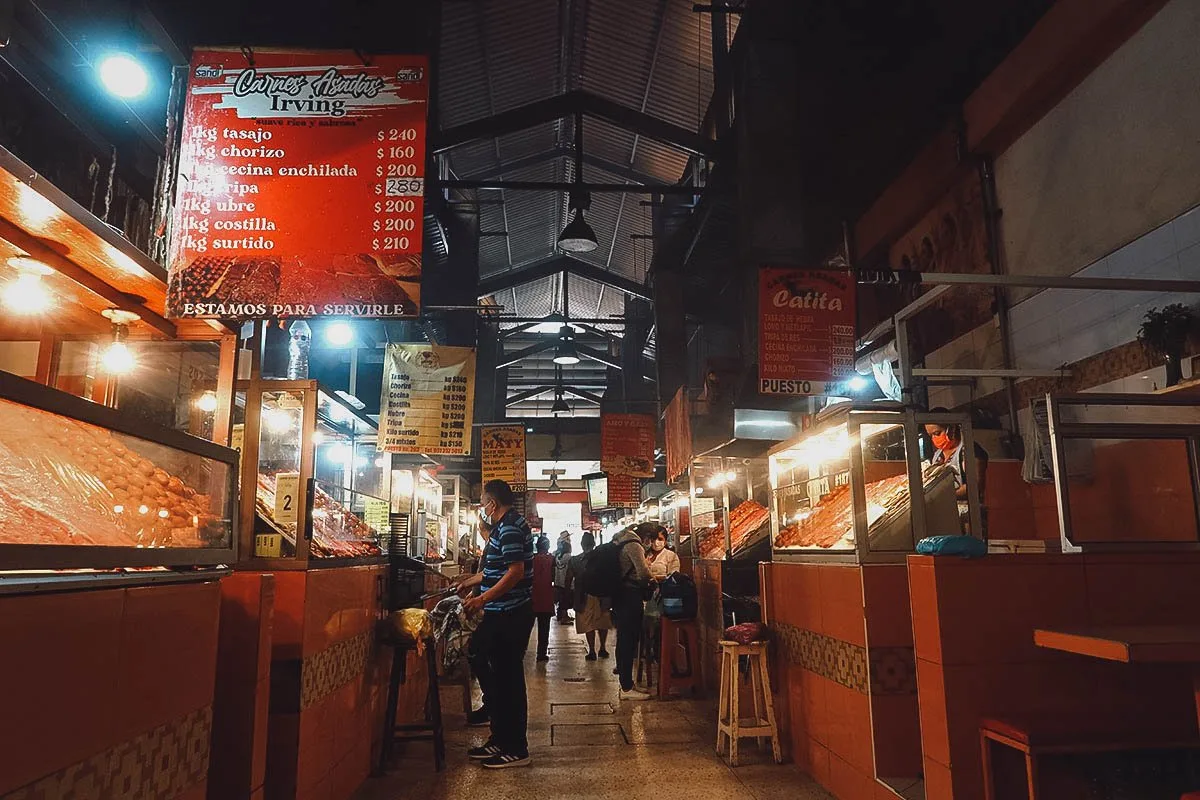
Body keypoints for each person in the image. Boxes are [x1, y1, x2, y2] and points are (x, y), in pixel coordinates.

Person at [454, 479, 535, 769]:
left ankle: (517, 747)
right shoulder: (503, 527)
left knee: (509, 678)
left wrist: (482, 598)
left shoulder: (511, 526)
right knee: (490, 666)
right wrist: (469, 582)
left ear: (493, 503)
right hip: (502, 611)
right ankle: (500, 737)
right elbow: (496, 569)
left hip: (511, 613)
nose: (481, 506)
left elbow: (514, 573)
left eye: (483, 500)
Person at [924, 409, 989, 533]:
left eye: (937, 433)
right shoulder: (938, 455)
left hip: (969, 516)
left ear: (951, 429)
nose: (934, 438)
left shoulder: (969, 450)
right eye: (931, 435)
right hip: (946, 514)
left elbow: (974, 486)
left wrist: (943, 496)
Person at [611, 525, 653, 701]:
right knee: (629, 639)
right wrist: (652, 580)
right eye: (651, 539)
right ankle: (627, 687)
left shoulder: (622, 539)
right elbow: (643, 574)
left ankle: (625, 682)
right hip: (630, 596)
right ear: (647, 537)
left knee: (624, 638)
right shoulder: (634, 544)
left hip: (620, 595)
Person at [566, 531, 610, 660]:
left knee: (588, 623)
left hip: (583, 596)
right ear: (594, 543)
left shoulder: (575, 560)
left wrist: (567, 597)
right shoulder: (603, 559)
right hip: (602, 595)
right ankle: (602, 648)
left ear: (581, 544)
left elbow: (568, 579)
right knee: (602, 622)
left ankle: (592, 650)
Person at [532, 535, 554, 662]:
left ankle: (521, 651)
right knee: (544, 628)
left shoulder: (531, 559)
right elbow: (553, 576)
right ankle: (541, 654)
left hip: (531, 597)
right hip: (546, 597)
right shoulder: (552, 559)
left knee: (526, 628)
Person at [553, 533, 574, 624]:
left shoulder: (556, 555)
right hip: (566, 581)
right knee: (566, 599)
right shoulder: (569, 557)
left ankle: (560, 615)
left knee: (560, 599)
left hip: (558, 581)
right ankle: (564, 618)